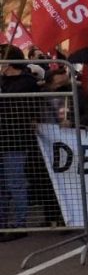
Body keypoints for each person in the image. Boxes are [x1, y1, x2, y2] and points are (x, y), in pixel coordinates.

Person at [0, 46, 41, 242]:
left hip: (15, 140)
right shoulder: (3, 81)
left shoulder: (26, 83)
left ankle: (19, 224)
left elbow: (15, 107)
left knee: (15, 183)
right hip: (3, 139)